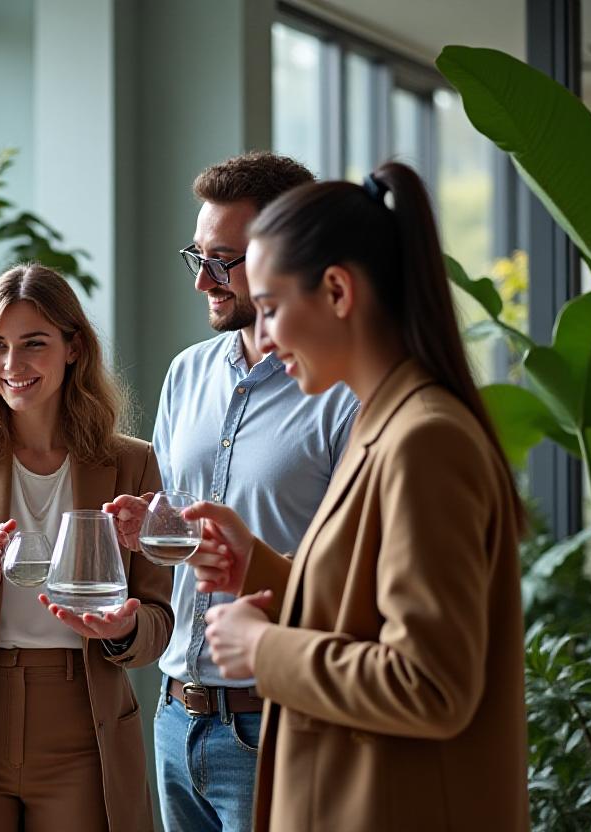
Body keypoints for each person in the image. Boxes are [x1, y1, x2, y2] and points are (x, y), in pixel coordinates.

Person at [187, 162, 529, 831]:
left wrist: (264, 652)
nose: (263, 338)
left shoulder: (424, 441)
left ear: (338, 291)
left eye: (275, 307)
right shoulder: (386, 423)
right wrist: (253, 565)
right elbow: (364, 614)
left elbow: (430, 685)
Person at [104, 151, 357, 832]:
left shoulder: (344, 395)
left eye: (224, 261)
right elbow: (183, 538)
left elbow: (358, 582)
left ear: (287, 254)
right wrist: (151, 526)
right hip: (174, 718)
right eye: (197, 257)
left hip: (280, 722)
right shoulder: (186, 375)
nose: (203, 282)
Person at [0, 264, 174, 832]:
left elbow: (158, 622)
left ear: (73, 349)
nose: (12, 366)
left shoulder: (131, 462)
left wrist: (123, 629)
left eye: (33, 344)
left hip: (82, 726)